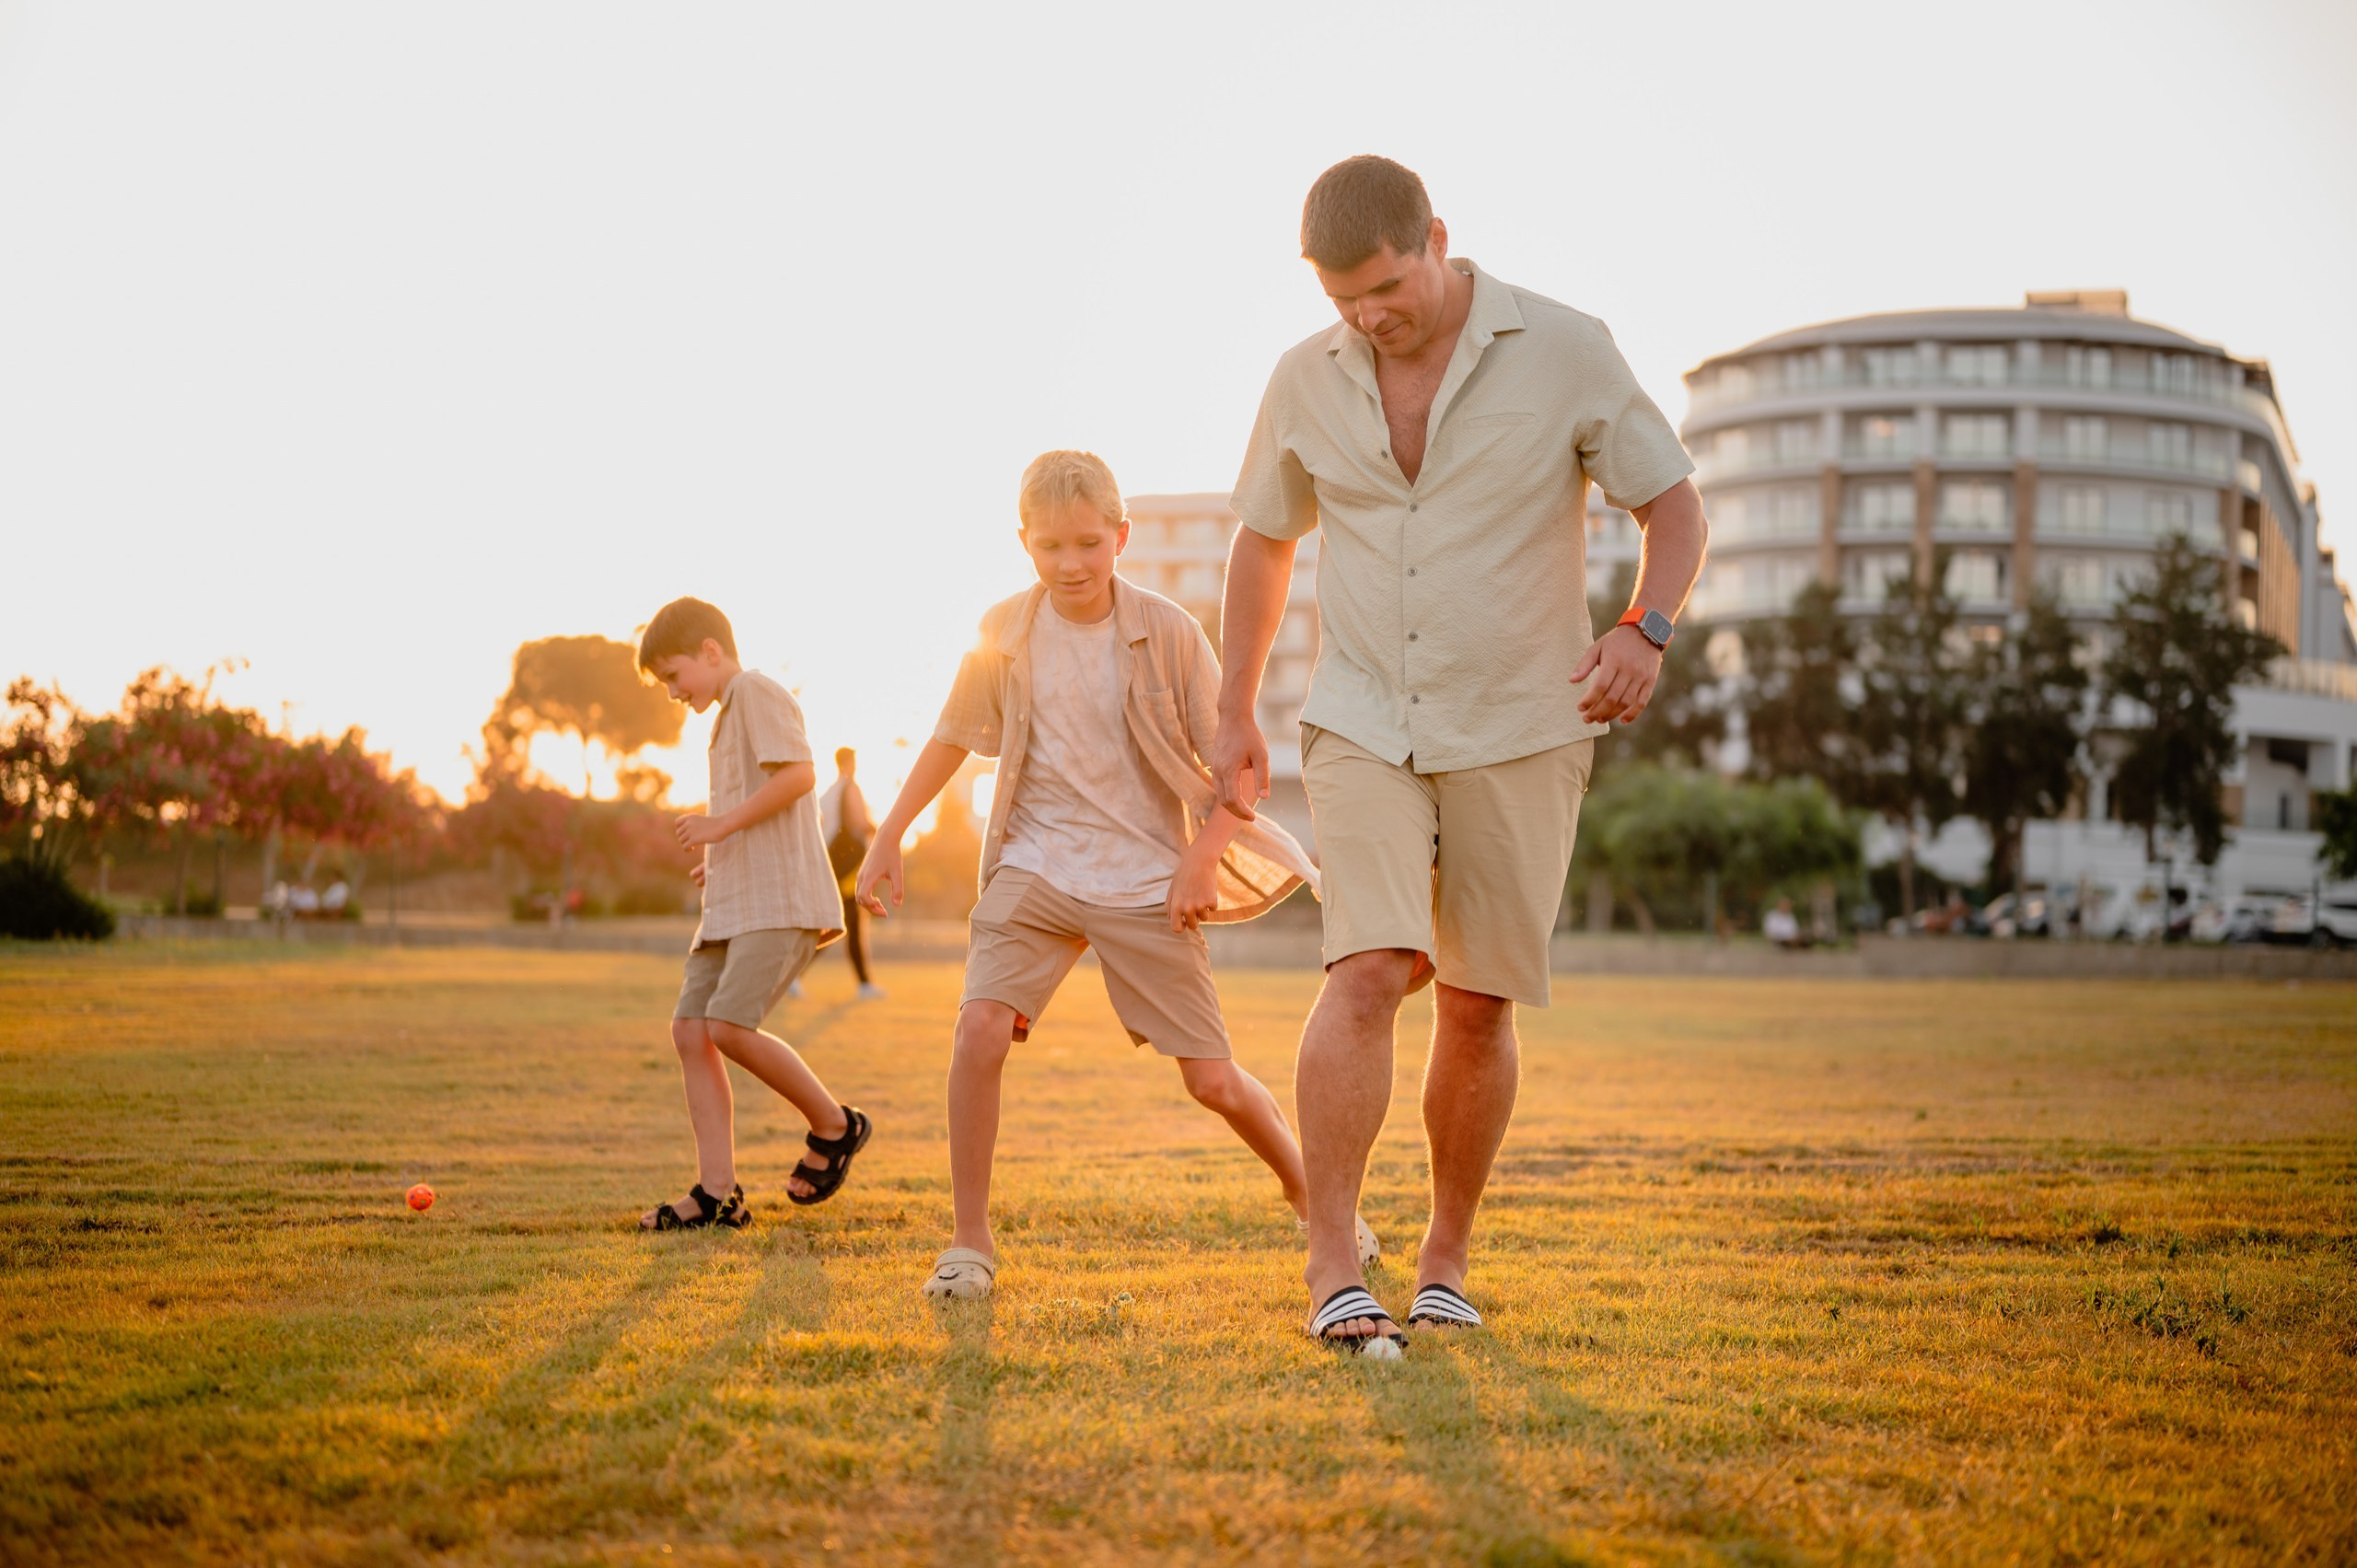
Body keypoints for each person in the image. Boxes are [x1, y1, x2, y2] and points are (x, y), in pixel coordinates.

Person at [1212, 157, 1709, 1353]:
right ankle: (1334, 1261)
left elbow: (1674, 504)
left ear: (1436, 237)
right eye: (1344, 303)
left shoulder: (1565, 347)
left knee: (1479, 1000)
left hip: (1525, 721)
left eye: (1386, 288)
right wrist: (1235, 709)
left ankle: (1445, 1259)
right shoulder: (1304, 378)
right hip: (1364, 714)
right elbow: (1264, 544)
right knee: (1372, 966)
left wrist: (1647, 628)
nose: (1370, 317)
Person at [856, 449, 1377, 1306]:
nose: (1070, 564)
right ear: (1023, 542)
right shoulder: (1003, 631)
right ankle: (969, 1243)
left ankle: (1308, 1194)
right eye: (1050, 545)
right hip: (1034, 862)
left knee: (1211, 1080)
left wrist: (1201, 860)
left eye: (1089, 544)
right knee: (978, 1031)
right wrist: (889, 832)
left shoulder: (1169, 631)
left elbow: (1236, 768)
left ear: (1122, 537)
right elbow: (952, 736)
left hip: (1145, 878)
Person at [633, 596, 873, 1231]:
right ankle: (718, 1195)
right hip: (735, 901)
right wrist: (726, 853)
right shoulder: (725, 715)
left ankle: (835, 1123)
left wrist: (720, 826)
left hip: (778, 900)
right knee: (691, 1031)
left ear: (710, 652)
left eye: (673, 675)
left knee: (730, 1027)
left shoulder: (758, 690)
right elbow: (762, 800)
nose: (672, 692)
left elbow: (797, 775)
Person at [819, 748, 886, 1000]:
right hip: (849, 860)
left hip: (834, 859)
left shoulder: (829, 792)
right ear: (848, 762)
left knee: (842, 920)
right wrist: (882, 830)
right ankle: (864, 984)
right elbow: (859, 822)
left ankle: (864, 983)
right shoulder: (850, 788)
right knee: (844, 921)